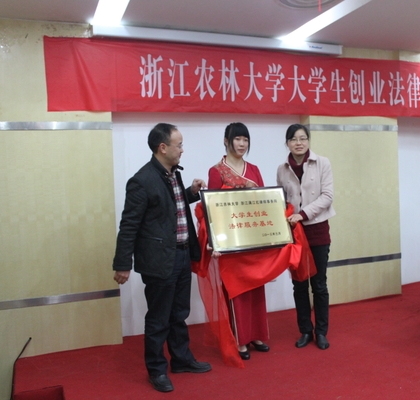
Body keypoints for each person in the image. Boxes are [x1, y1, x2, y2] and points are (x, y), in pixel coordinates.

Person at [112, 123, 211, 393]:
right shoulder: (142, 180)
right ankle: (156, 369)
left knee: (179, 313)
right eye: (179, 145)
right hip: (159, 260)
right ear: (163, 147)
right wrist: (123, 264)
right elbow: (129, 225)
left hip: (181, 255)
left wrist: (191, 192)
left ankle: (181, 359)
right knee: (159, 318)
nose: (182, 150)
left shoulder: (172, 173)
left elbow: (170, 207)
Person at [207, 122, 270, 360]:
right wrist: (215, 241)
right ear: (226, 141)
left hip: (252, 239)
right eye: (237, 139)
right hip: (231, 243)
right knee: (236, 291)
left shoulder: (253, 169)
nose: (242, 144)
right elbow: (211, 209)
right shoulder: (216, 171)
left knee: (255, 288)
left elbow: (264, 202)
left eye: (245, 139)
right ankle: (240, 339)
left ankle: (256, 335)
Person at [276, 123, 336, 350]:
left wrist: (302, 214)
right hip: (295, 233)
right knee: (299, 284)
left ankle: (321, 332)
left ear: (308, 140)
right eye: (293, 139)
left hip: (317, 229)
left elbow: (327, 196)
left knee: (319, 284)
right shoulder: (282, 169)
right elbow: (280, 201)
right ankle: (305, 330)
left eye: (302, 138)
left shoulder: (323, 163)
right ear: (287, 143)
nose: (298, 143)